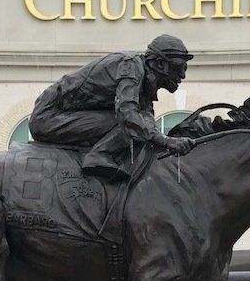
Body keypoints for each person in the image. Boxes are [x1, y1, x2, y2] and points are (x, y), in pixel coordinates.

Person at [28, 34, 196, 181]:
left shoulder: (143, 80)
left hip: (67, 116)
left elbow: (147, 120)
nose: (182, 75)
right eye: (179, 67)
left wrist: (168, 143)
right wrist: (166, 141)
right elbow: (128, 115)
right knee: (130, 122)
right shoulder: (130, 66)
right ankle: (99, 156)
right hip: (49, 118)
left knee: (140, 123)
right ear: (160, 64)